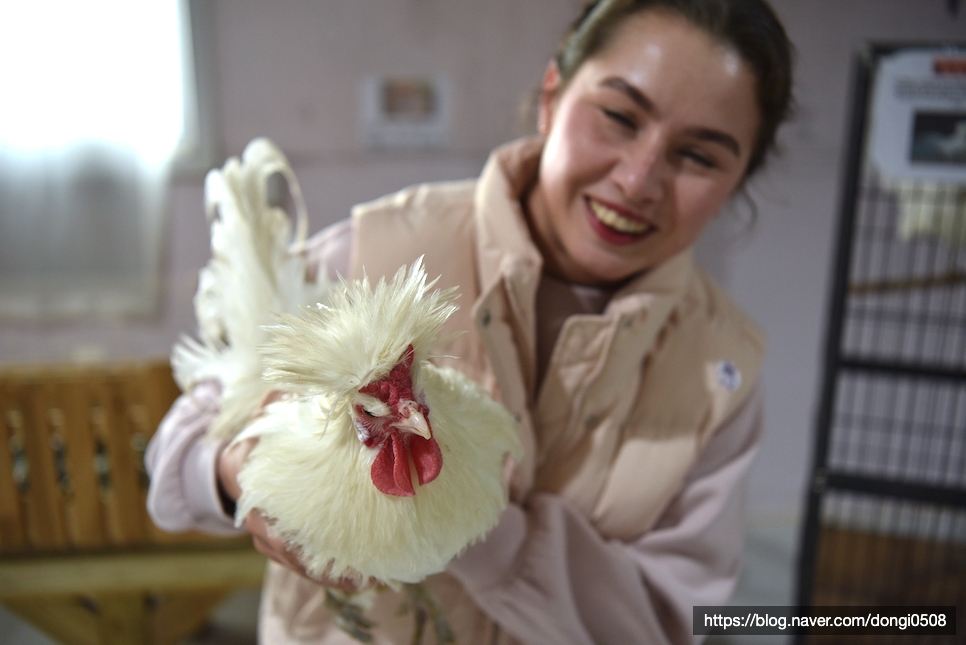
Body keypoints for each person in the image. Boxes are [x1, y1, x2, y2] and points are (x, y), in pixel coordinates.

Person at [146, 0, 794, 642]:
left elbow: (672, 623)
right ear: (552, 98)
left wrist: (477, 522)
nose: (639, 178)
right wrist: (244, 472)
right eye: (620, 117)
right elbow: (172, 462)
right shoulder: (371, 256)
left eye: (701, 156)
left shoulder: (720, 371)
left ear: (737, 181)